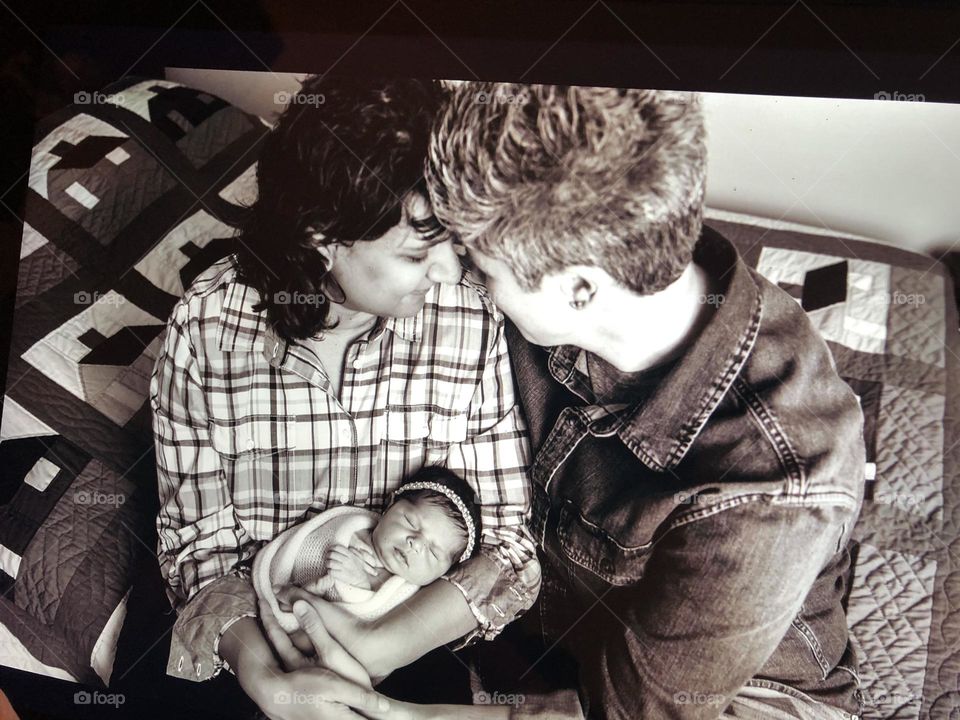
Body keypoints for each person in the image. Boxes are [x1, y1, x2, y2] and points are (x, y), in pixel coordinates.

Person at [344, 83, 864, 719]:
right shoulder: (589, 261)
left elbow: (628, 714)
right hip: (557, 634)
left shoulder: (774, 484)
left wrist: (394, 715)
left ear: (580, 290)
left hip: (741, 700)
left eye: (481, 266)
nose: (453, 274)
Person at [149, 76, 540, 719]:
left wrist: (377, 652)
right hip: (258, 634)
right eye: (419, 254)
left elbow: (506, 541)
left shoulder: (467, 318)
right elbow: (199, 547)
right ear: (322, 237)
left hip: (410, 637)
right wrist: (270, 683)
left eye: (455, 242)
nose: (449, 272)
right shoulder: (208, 328)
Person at [254, 466, 482, 631]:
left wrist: (359, 586)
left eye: (433, 553)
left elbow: (372, 624)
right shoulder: (349, 523)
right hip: (277, 600)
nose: (416, 544)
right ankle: (296, 597)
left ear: (444, 573)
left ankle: (305, 599)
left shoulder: (409, 596)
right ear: (391, 504)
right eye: (411, 523)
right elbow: (307, 543)